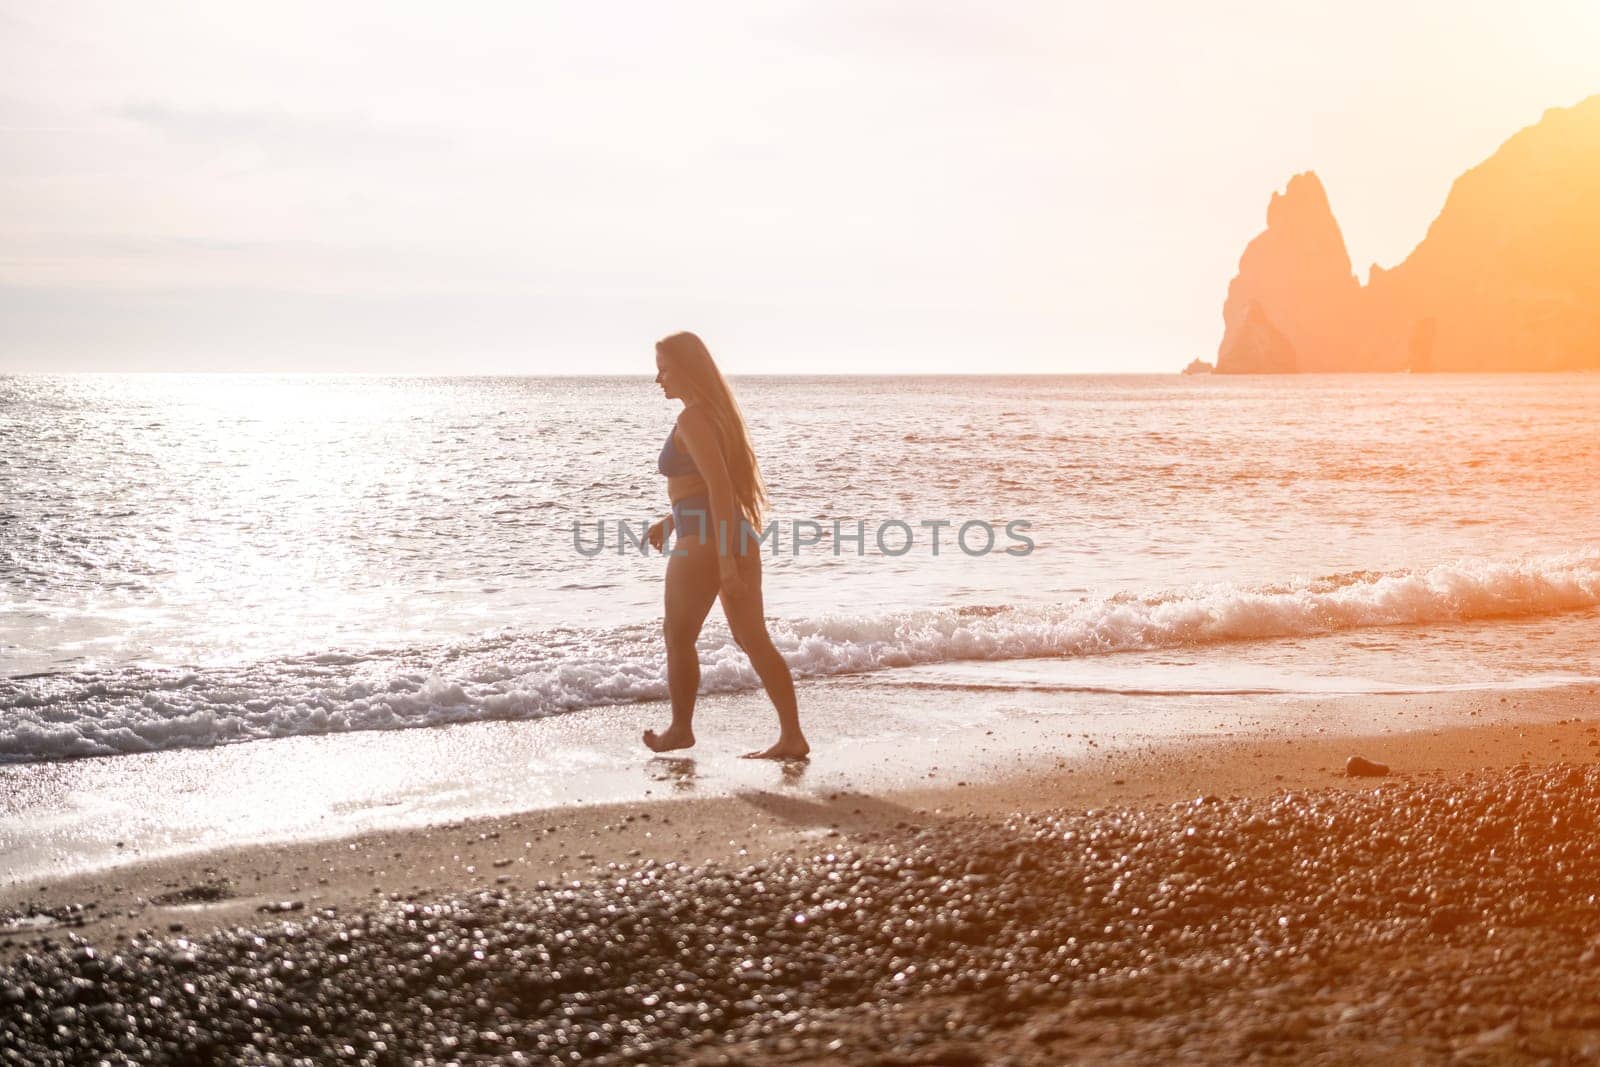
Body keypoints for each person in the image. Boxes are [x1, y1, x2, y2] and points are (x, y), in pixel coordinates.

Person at [643, 331, 809, 760]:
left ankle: (681, 729)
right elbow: (706, 487)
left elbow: (718, 487)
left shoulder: (693, 419)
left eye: (663, 367)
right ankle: (792, 736)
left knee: (677, 636)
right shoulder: (717, 415)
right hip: (733, 535)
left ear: (685, 369)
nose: (657, 378)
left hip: (706, 543)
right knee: (753, 638)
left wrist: (725, 566)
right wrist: (670, 520)